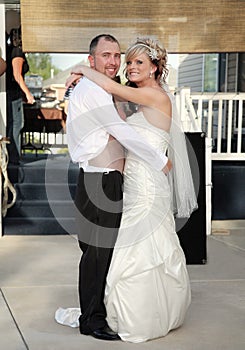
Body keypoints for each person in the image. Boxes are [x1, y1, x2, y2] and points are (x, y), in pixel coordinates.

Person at [64, 37, 198, 342]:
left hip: (145, 184)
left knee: (136, 248)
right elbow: (117, 124)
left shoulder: (154, 97)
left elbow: (114, 100)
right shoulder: (131, 96)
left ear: (154, 67)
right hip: (123, 180)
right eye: (128, 62)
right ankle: (101, 314)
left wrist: (82, 70)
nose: (127, 66)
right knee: (107, 250)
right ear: (93, 57)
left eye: (137, 61)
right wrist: (83, 72)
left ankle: (133, 313)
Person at [6, 26, 35, 164]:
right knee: (16, 124)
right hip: (13, 93)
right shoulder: (18, 52)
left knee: (15, 124)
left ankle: (13, 158)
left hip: (14, 93)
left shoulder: (14, 50)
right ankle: (14, 159)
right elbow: (17, 75)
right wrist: (28, 94)